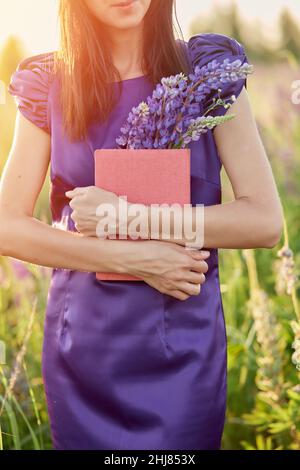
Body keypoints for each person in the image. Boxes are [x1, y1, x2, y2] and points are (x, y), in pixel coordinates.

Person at [0, 0, 283, 450]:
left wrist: (127, 217)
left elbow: (265, 221)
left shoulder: (208, 72)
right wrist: (132, 256)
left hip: (182, 350)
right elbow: (7, 226)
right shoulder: (47, 83)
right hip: (83, 355)